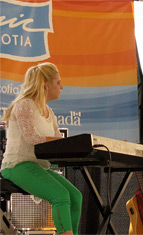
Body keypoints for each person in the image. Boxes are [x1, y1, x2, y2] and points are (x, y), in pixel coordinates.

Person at [1, 62, 82, 235]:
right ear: (46, 84)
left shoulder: (49, 111)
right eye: (58, 82)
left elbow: (58, 143)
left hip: (37, 166)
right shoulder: (25, 105)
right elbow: (33, 139)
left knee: (76, 197)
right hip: (17, 166)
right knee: (60, 195)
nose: (62, 86)